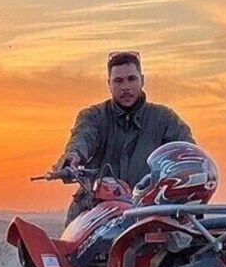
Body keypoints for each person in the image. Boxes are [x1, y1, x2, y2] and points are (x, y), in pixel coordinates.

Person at [53, 50, 195, 225]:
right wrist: (73, 156)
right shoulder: (93, 116)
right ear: (109, 84)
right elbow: (83, 136)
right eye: (118, 81)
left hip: (149, 213)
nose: (125, 87)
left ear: (142, 80)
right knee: (71, 240)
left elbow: (188, 153)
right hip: (95, 211)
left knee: (186, 236)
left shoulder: (165, 119)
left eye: (131, 79)